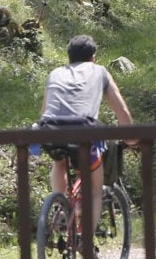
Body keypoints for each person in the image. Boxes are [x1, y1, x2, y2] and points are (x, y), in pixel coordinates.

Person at [38, 34, 134, 238]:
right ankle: (86, 242)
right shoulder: (100, 72)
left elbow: (45, 111)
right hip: (83, 131)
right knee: (96, 190)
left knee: (60, 161)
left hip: (49, 129)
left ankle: (60, 204)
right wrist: (132, 138)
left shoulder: (55, 73)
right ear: (93, 58)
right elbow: (122, 112)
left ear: (69, 57)